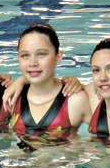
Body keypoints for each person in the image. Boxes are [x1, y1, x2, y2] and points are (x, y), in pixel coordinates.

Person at [9, 23, 92, 151]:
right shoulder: (12, 96)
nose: (32, 63)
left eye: (41, 54)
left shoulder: (75, 100)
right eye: (25, 55)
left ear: (58, 58)